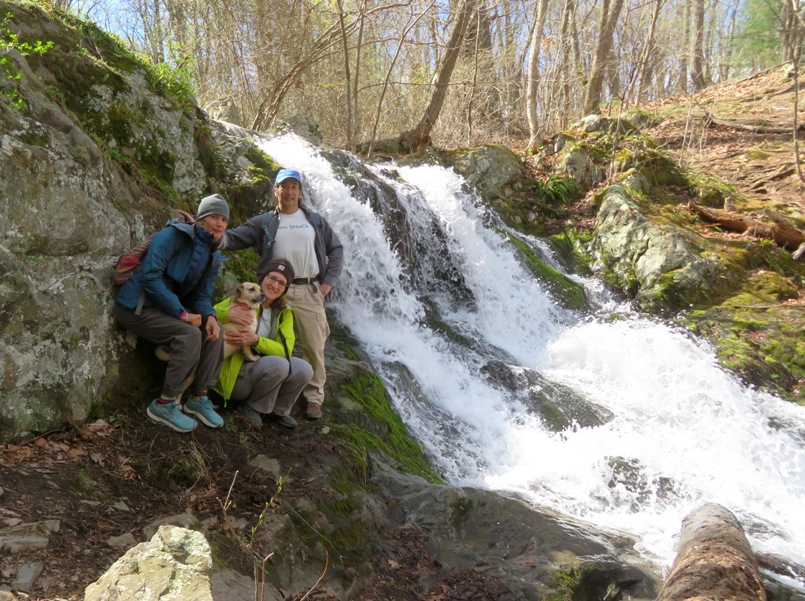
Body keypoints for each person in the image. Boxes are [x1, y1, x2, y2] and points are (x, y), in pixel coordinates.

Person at [223, 169, 343, 420]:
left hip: (310, 289)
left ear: (300, 192)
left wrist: (327, 283)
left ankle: (313, 398)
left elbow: (336, 249)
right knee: (264, 336)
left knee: (314, 345)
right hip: (273, 290)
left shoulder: (315, 221)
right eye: (284, 186)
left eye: (294, 187)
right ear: (275, 190)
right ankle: (255, 386)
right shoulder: (265, 221)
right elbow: (234, 237)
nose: (289, 192)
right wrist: (209, 232)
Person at [113, 194, 229, 433]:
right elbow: (150, 276)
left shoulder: (213, 256)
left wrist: (211, 317)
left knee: (215, 332)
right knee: (188, 334)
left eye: (224, 220)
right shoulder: (173, 236)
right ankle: (164, 404)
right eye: (214, 217)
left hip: (165, 310)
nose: (220, 224)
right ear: (202, 219)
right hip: (135, 307)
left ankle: (199, 398)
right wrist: (181, 313)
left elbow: (202, 298)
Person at [214, 259, 313, 428]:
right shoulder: (244, 300)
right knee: (280, 364)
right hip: (238, 373)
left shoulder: (285, 313)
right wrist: (228, 315)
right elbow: (212, 313)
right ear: (262, 278)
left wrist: (257, 341)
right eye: (272, 278)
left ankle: (277, 411)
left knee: (304, 369)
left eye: (281, 283)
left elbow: (287, 350)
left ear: (285, 289)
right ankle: (251, 406)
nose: (275, 285)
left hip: (266, 368)